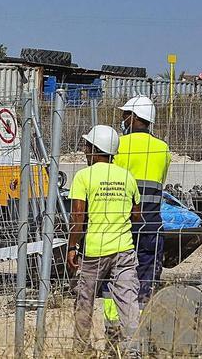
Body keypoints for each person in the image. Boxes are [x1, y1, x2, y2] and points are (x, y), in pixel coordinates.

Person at [67, 124, 142, 351]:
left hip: (94, 253)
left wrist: (72, 247)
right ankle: (133, 351)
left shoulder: (83, 177)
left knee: (85, 301)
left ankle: (80, 350)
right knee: (128, 302)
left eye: (86, 146)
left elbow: (77, 216)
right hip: (124, 250)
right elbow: (136, 214)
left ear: (94, 149)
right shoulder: (126, 176)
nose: (84, 150)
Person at [114, 95, 171, 307]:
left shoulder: (119, 145)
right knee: (147, 278)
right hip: (152, 223)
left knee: (120, 277)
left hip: (122, 223)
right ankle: (144, 312)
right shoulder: (163, 148)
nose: (123, 119)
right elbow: (161, 182)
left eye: (125, 115)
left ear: (134, 117)